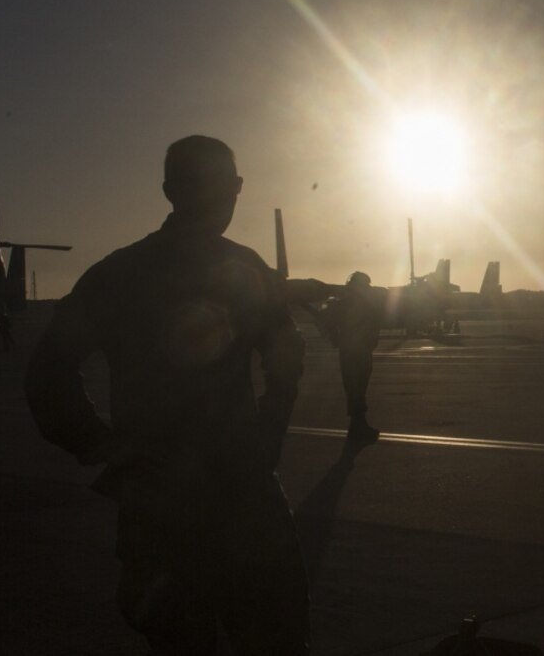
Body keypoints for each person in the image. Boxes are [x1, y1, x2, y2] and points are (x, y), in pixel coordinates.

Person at [25, 135, 309, 655]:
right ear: (233, 189)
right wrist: (267, 435)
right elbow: (288, 358)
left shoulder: (116, 274)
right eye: (232, 185)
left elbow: (48, 371)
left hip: (155, 496)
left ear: (168, 191)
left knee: (177, 638)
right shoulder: (244, 271)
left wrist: (99, 444)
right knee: (274, 635)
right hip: (240, 493)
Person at [323, 271, 382, 443]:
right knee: (358, 388)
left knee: (354, 388)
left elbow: (330, 323)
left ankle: (358, 425)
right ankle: (358, 426)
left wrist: (336, 339)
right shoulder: (365, 304)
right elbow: (374, 324)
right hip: (358, 351)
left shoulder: (343, 304)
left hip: (350, 350)